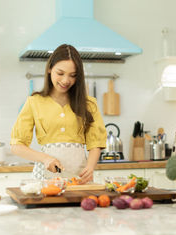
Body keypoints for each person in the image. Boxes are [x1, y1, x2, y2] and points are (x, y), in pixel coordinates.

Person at [10, 44, 107, 184]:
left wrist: (90, 167)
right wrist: (45, 158)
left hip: (79, 177)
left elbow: (95, 143)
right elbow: (17, 146)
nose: (66, 80)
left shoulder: (89, 104)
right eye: (60, 73)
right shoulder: (34, 102)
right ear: (50, 69)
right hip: (45, 177)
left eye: (73, 75)